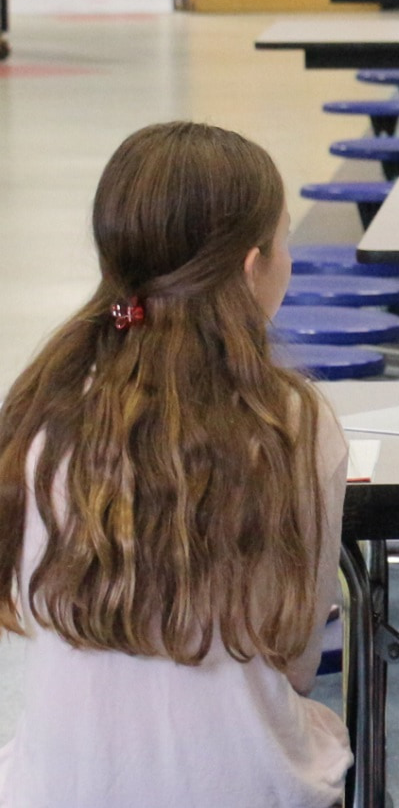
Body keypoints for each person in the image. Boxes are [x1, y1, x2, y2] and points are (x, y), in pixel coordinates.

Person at [0, 122, 351, 807]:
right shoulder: (295, 423)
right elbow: (299, 655)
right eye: (285, 239)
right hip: (250, 788)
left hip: (58, 787)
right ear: (253, 268)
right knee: (319, 728)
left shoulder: (43, 407)